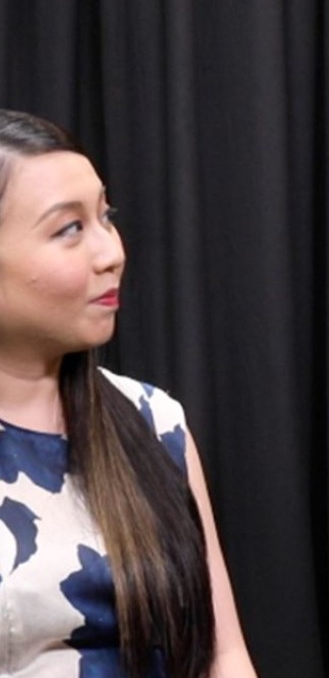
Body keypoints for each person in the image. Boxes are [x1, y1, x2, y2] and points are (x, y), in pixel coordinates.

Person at [0, 109, 258, 677]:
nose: (111, 252)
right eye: (69, 229)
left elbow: (223, 653)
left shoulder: (153, 422)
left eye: (105, 217)